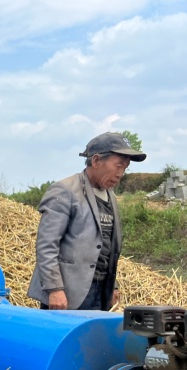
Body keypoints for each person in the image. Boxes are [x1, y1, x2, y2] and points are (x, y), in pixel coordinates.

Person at [27, 132, 146, 311]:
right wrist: (54, 289)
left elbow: (105, 246)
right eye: (118, 165)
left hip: (100, 291)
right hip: (68, 294)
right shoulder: (65, 191)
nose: (121, 173)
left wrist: (113, 285)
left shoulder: (110, 197)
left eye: (125, 167)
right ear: (96, 161)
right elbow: (47, 245)